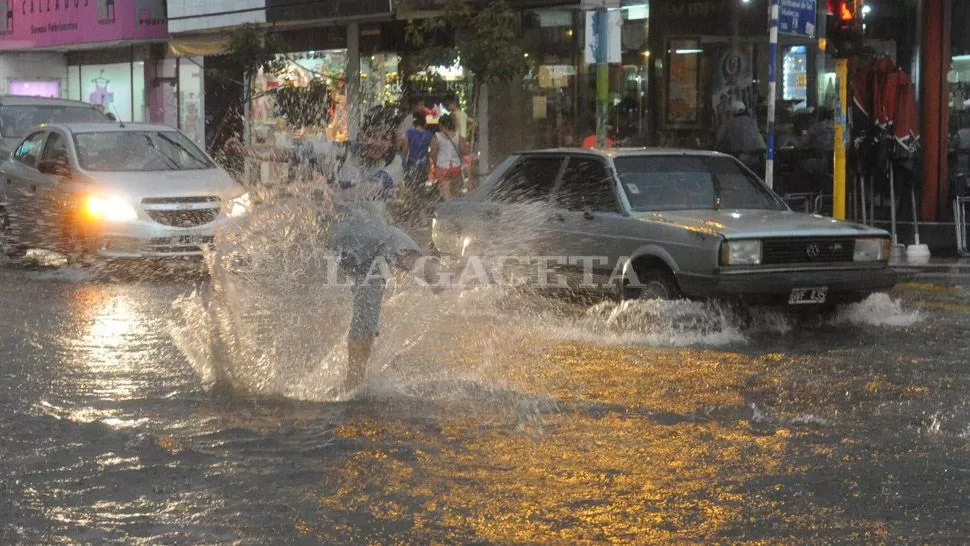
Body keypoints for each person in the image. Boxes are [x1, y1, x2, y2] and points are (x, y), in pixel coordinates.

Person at [327, 105, 445, 395]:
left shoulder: (394, 165)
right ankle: (439, 278)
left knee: (366, 314)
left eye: (383, 138)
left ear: (391, 142)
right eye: (371, 136)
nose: (376, 143)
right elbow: (298, 151)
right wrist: (251, 151)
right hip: (348, 238)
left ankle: (352, 382)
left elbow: (372, 188)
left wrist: (340, 195)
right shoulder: (345, 152)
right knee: (392, 238)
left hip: (372, 248)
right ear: (362, 135)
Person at [401, 113, 435, 224]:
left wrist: (402, 163)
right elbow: (432, 151)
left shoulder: (409, 134)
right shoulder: (430, 134)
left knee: (411, 190)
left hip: (411, 164)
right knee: (421, 190)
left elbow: (405, 150)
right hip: (423, 165)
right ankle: (423, 217)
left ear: (414, 123)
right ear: (424, 123)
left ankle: (412, 217)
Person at [715, 100, 766, 173]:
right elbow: (760, 141)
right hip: (755, 160)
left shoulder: (730, 123)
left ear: (732, 112)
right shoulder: (753, 122)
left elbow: (719, 138)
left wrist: (724, 122)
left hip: (737, 161)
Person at [429, 113, 465, 200]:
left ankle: (449, 209)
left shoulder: (437, 136)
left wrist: (436, 165)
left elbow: (433, 153)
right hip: (456, 166)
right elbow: (463, 150)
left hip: (442, 167)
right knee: (456, 190)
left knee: (446, 191)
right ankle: (457, 209)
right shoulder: (457, 135)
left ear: (441, 124)